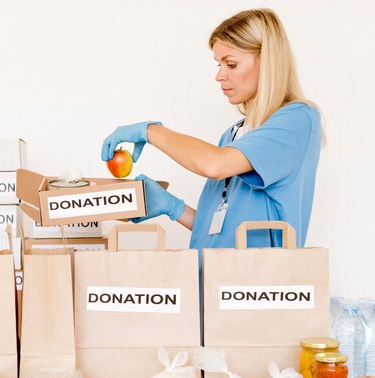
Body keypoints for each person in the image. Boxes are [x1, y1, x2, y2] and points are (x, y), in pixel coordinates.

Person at [101, 8, 323, 249]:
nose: (219, 75)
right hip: (212, 281)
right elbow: (219, 232)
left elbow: (214, 165)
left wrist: (150, 131)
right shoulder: (233, 134)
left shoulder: (297, 120)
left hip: (253, 285)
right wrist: (173, 207)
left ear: (268, 61)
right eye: (219, 64)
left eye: (231, 64)